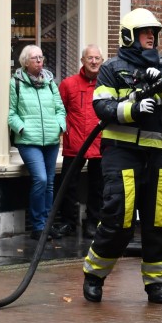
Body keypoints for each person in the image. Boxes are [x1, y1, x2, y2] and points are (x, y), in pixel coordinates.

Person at [81, 8, 162, 305]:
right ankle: (94, 275)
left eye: (153, 33)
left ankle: (157, 285)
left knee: (157, 221)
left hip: (155, 156)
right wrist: (132, 110)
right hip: (121, 153)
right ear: (129, 36)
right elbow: (101, 107)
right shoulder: (112, 68)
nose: (151, 38)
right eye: (145, 33)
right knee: (119, 219)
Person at [8, 45, 66, 239]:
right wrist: (22, 128)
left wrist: (60, 126)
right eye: (35, 58)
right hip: (28, 141)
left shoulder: (50, 82)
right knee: (40, 179)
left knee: (49, 183)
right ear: (25, 62)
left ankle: (47, 225)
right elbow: (12, 114)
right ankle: (38, 226)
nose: (39, 61)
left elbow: (60, 109)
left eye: (41, 57)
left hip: (51, 140)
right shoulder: (16, 83)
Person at [56, 44, 105, 236]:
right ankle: (68, 222)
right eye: (89, 58)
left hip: (100, 143)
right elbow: (60, 111)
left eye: (97, 58)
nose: (93, 62)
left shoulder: (106, 85)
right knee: (68, 185)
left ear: (102, 61)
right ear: (82, 60)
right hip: (74, 142)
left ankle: (92, 223)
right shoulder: (68, 84)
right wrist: (63, 132)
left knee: (97, 187)